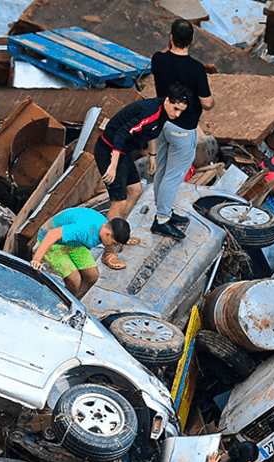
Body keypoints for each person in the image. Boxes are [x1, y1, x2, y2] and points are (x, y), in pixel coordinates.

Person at [93, 84, 192, 270]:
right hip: (109, 150)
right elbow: (122, 134)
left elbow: (151, 132)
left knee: (136, 191)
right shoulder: (151, 112)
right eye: (176, 109)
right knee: (119, 201)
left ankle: (120, 233)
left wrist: (152, 156)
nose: (178, 114)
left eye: (181, 111)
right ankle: (108, 252)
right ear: (167, 101)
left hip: (124, 153)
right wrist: (113, 166)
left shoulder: (163, 112)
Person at [149, 18, 214, 240]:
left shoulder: (158, 59)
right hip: (183, 128)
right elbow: (207, 103)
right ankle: (162, 220)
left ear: (170, 38)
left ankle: (162, 211)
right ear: (192, 41)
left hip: (161, 123)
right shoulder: (196, 69)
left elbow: (165, 53)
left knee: (163, 169)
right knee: (173, 176)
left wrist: (170, 45)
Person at [30, 206, 131, 299]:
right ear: (107, 234)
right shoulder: (84, 230)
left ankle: (75, 300)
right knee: (74, 281)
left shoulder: (104, 226)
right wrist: (36, 260)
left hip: (74, 242)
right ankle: (59, 304)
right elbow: (52, 234)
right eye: (113, 243)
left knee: (92, 276)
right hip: (53, 242)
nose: (112, 247)